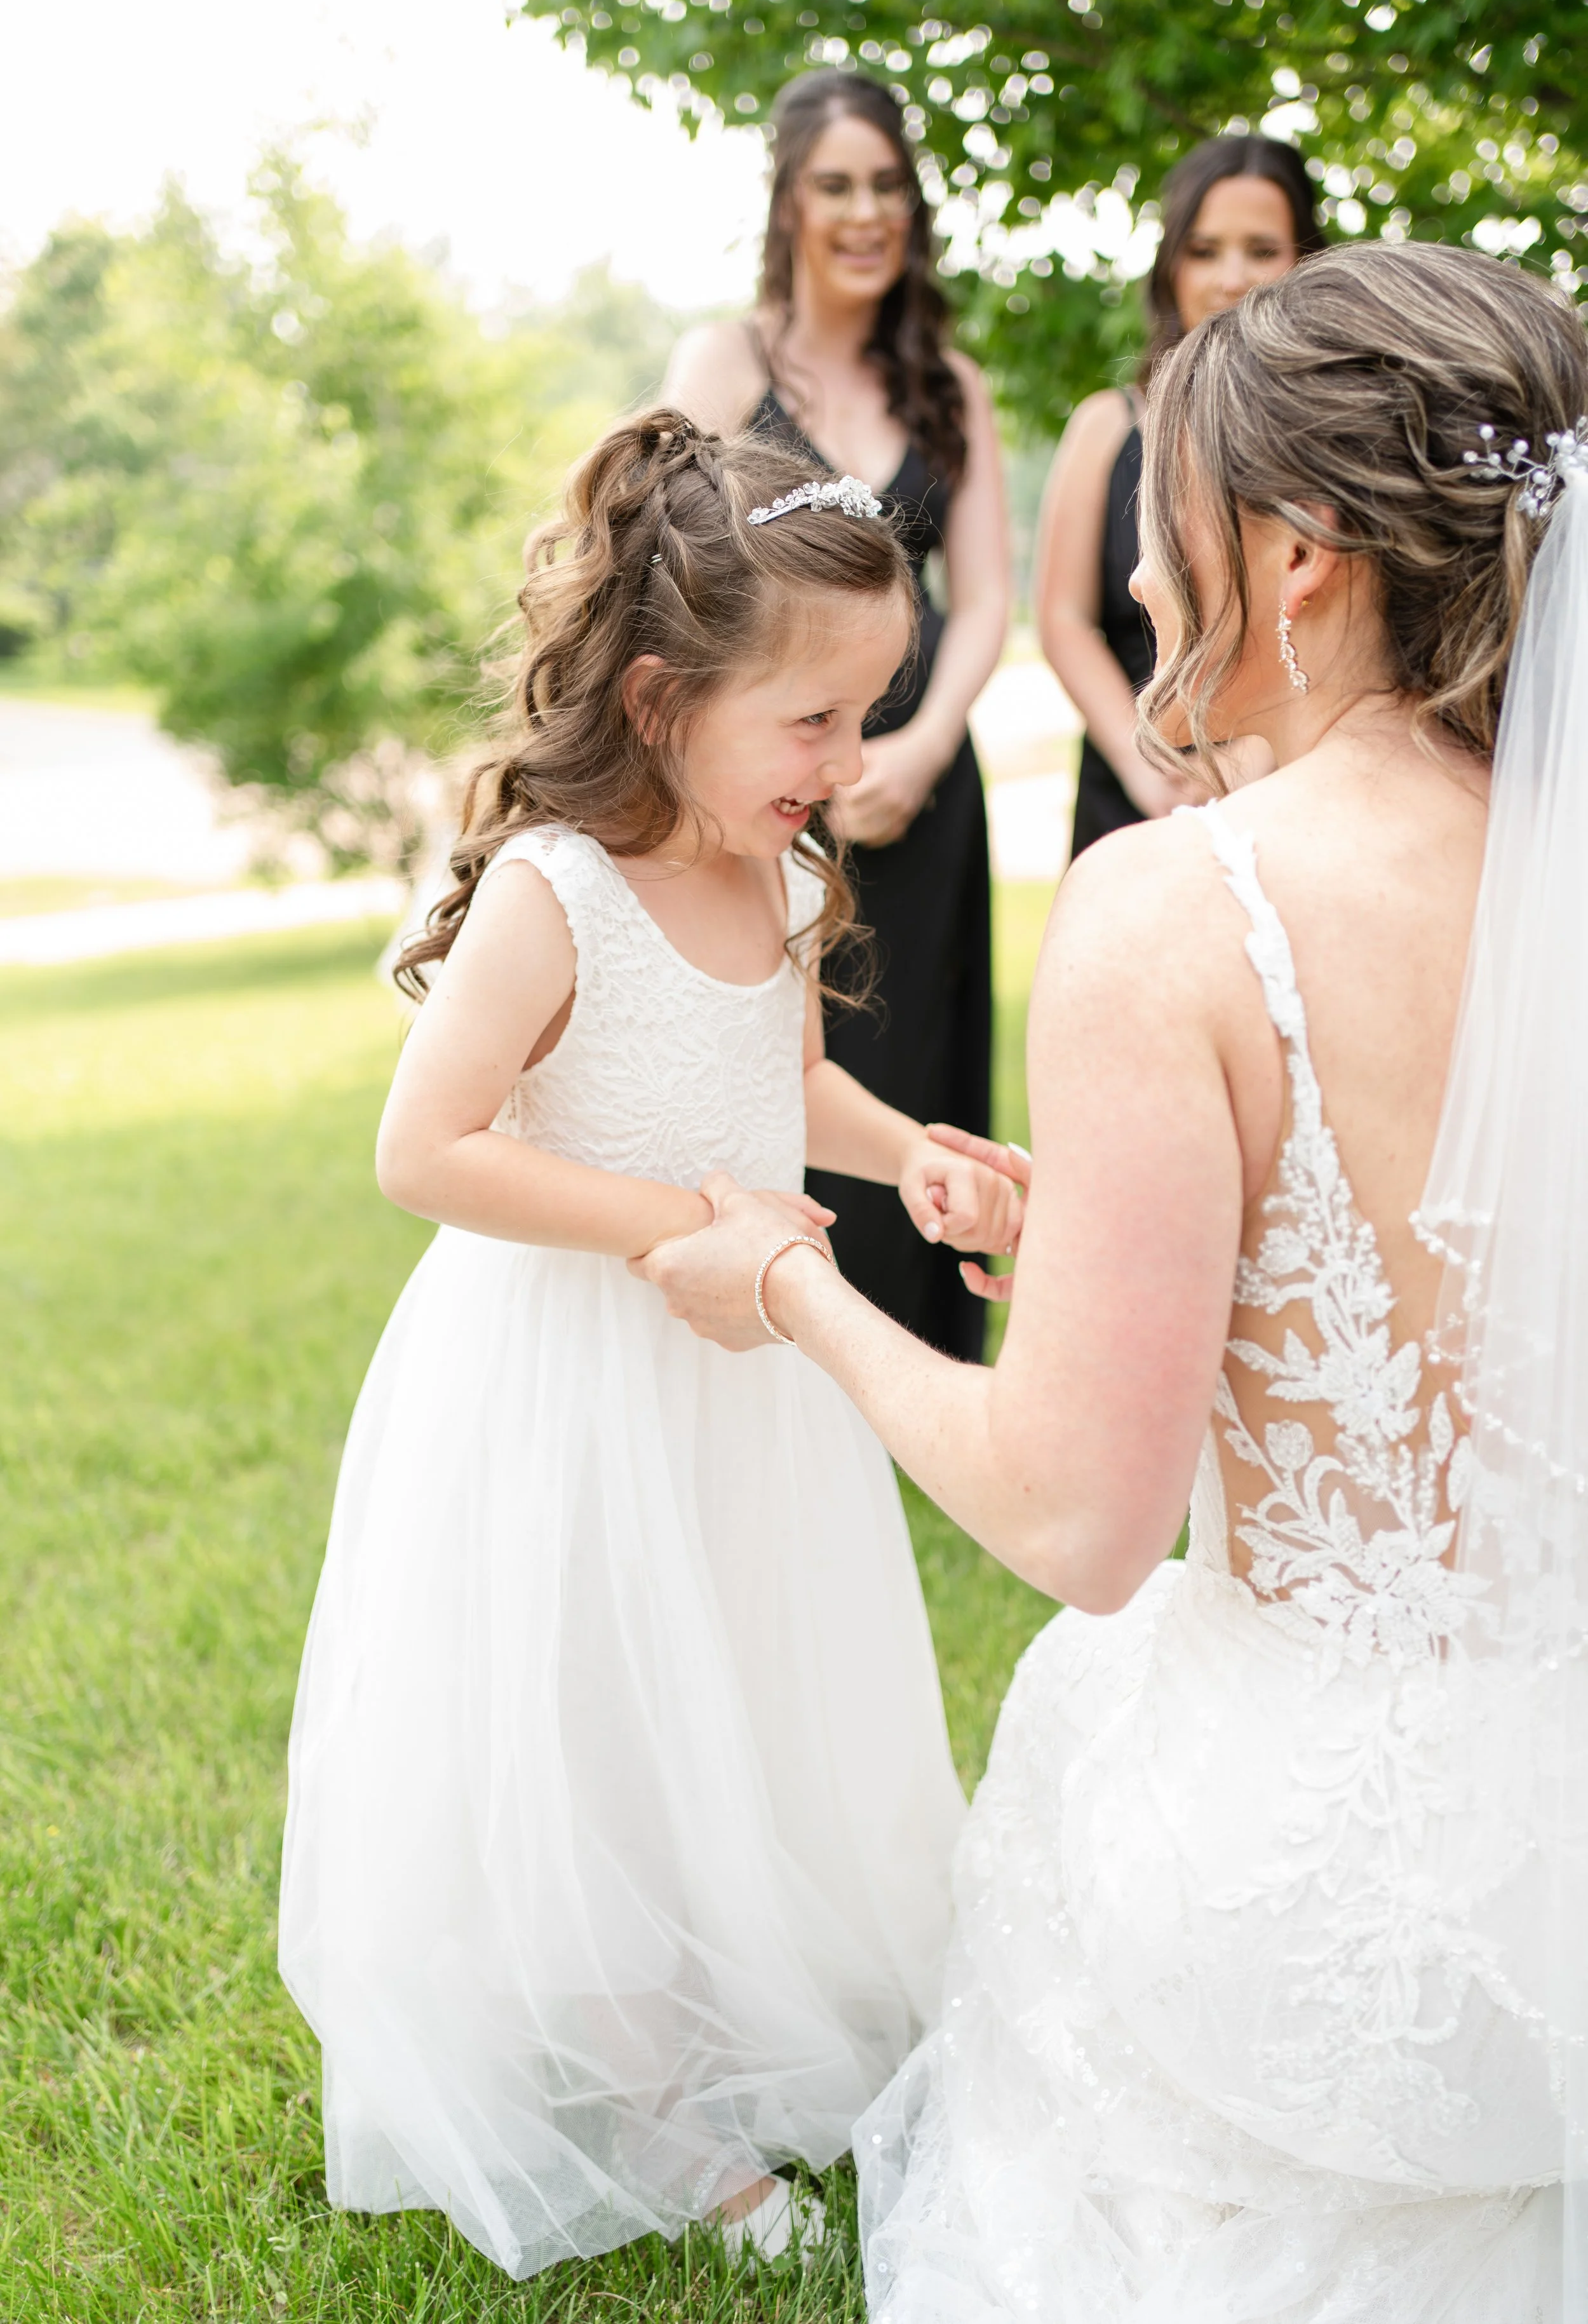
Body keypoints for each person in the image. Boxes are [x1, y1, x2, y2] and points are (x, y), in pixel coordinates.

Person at [635, 243, 1588, 2314]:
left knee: (1102, 1702)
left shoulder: (1181, 909)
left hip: (1339, 1916)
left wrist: (798, 1285)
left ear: (1303, 553)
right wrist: (1099, 1226)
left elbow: (1080, 1519)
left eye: (1170, 515)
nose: (1143, 582)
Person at [278, 410, 1025, 2280]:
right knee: (603, 1727)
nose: (847, 765)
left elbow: (776, 1082)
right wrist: (684, 1228)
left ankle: (743, 2002)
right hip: (568, 1385)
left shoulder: (768, 871)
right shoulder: (557, 889)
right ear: (658, 693)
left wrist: (906, 1148)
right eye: (811, 722)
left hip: (739, 1381)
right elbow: (424, 1149)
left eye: (867, 716)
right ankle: (649, 2106)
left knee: (740, 1693)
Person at [664, 69, 1009, 1363]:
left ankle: (918, 1349)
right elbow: (666, 568)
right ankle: (769, 1318)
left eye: (887, 186)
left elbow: (982, 602)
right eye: (835, 185)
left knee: (914, 1038)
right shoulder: (720, 363)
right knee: (774, 1046)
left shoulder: (950, 386)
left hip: (920, 779)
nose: (865, 212)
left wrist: (918, 748)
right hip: (760, 779)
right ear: (788, 202)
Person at [1037, 133, 1323, 859]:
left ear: (1304, 258)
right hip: (1136, 784)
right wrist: (1148, 766)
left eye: (1261, 249)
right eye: (1204, 250)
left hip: (1297, 784)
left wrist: (1255, 764)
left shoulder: (1334, 433)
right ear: (1170, 267)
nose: (1232, 277)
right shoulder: (1107, 425)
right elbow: (1062, 618)